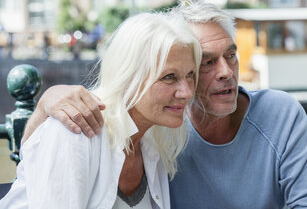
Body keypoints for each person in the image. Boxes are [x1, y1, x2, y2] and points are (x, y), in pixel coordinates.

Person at [19, 0, 307, 208]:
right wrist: (44, 106)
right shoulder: (158, 130)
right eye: (207, 62)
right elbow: (41, 164)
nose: (226, 72)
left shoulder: (156, 141)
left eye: (231, 55)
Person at [0, 12, 201, 208]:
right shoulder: (76, 130)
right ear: (129, 75)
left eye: (190, 74)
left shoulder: (154, 142)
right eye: (169, 77)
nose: (187, 92)